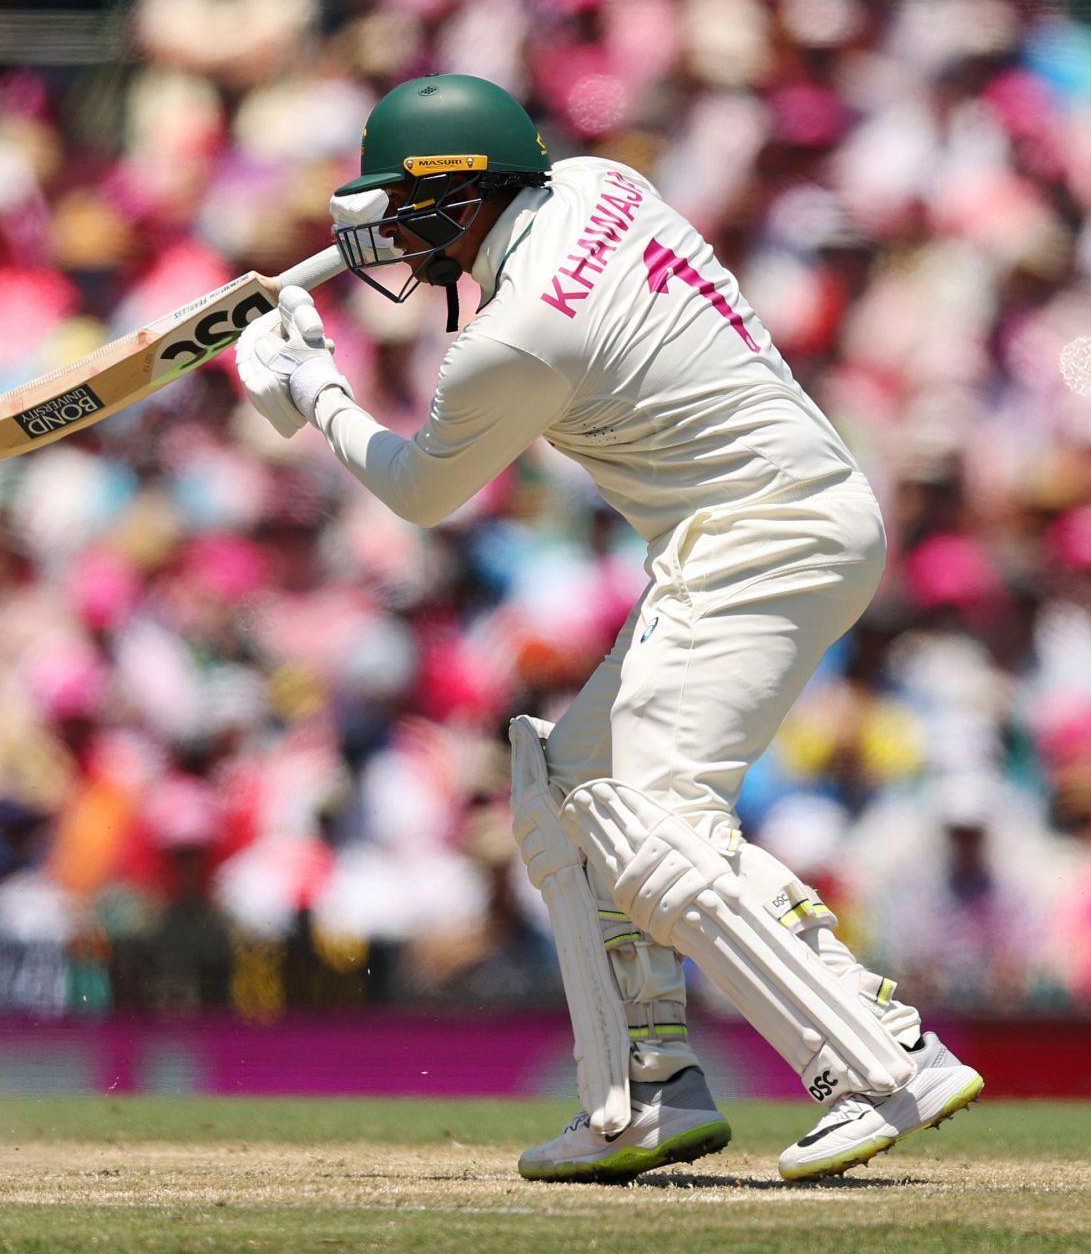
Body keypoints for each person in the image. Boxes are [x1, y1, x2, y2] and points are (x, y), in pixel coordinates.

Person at [234, 74, 983, 1184]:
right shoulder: (599, 182)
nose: (387, 232)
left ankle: (881, 1059)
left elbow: (422, 494)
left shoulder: (512, 340)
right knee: (566, 778)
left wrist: (315, 394)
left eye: (402, 205)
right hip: (776, 519)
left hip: (760, 534)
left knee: (649, 810)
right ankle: (645, 1091)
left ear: (460, 199)